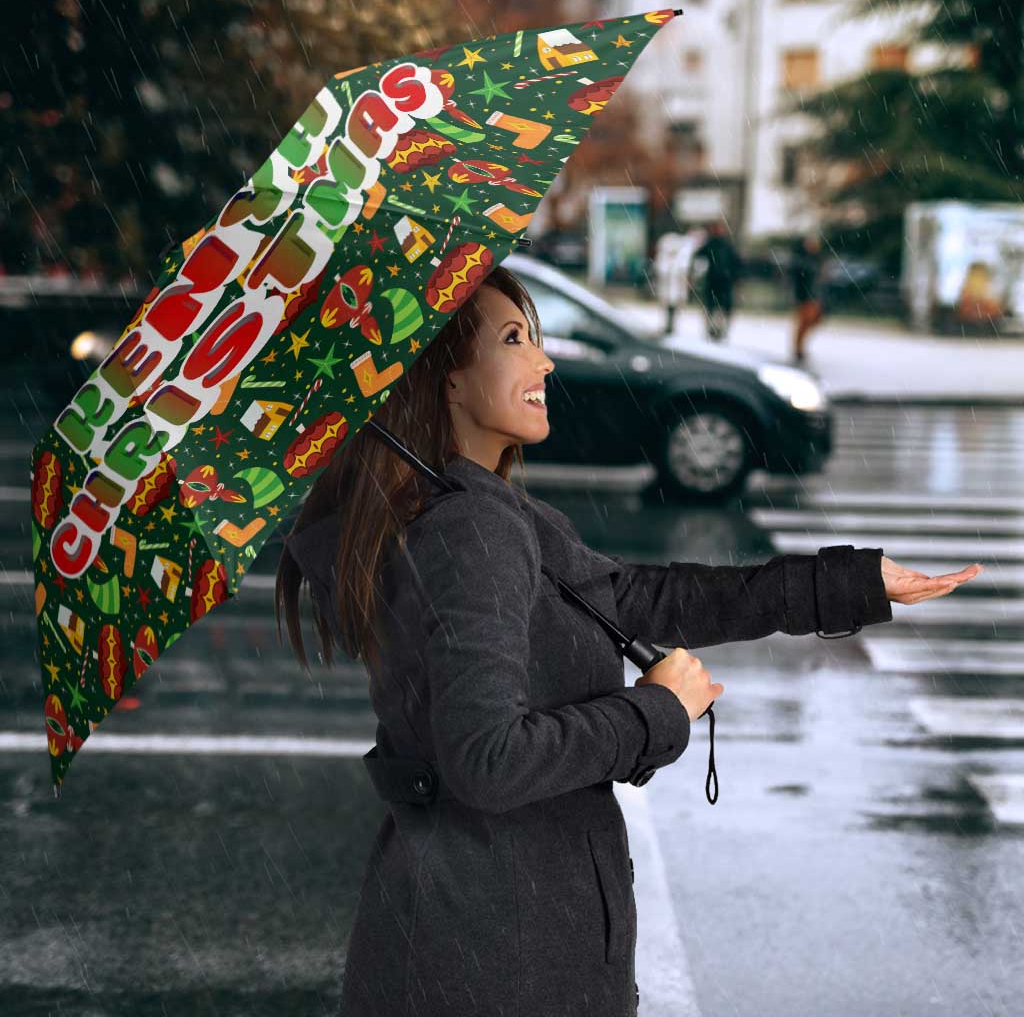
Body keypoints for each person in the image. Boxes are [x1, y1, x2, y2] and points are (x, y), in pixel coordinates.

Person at [276, 265, 940, 1017]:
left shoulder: (464, 513)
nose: (546, 360)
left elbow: (637, 598)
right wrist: (655, 713)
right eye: (515, 339)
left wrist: (849, 583)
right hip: (499, 956)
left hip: (463, 935)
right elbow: (487, 761)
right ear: (448, 381)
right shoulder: (471, 530)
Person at [692, 219, 742, 342]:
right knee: (713, 307)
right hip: (715, 281)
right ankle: (713, 330)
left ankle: (719, 330)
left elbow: (736, 263)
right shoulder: (712, 244)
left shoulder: (725, 245)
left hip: (723, 281)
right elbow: (698, 257)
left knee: (720, 308)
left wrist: (735, 277)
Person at [790, 232, 826, 364]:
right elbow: (799, 279)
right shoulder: (802, 260)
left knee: (812, 321)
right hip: (805, 296)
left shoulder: (817, 259)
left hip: (814, 296)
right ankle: (798, 348)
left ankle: (800, 347)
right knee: (804, 322)